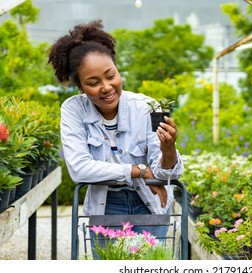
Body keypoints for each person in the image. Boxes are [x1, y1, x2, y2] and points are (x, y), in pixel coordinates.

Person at [48, 20, 184, 257]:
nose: (107, 87)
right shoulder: (73, 110)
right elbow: (79, 169)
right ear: (80, 87)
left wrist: (168, 149)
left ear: (117, 70)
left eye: (111, 76)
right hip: (106, 205)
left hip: (149, 202)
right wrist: (138, 169)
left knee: (148, 269)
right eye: (93, 82)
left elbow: (166, 176)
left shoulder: (148, 106)